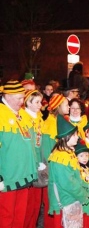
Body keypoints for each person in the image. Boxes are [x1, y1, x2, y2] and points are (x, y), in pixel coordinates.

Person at [0, 80, 38, 227]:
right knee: (6, 215)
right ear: (7, 96)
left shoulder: (21, 114)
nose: (22, 102)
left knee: (20, 215)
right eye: (19, 98)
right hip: (8, 177)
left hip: (24, 174)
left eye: (23, 98)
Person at [48, 114, 89, 227]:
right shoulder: (61, 158)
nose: (77, 137)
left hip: (71, 199)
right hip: (65, 200)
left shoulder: (67, 153)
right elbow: (68, 183)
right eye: (74, 135)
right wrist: (82, 194)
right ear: (65, 137)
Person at [41, 93, 70, 227]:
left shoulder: (60, 120)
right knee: (53, 203)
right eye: (65, 104)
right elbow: (47, 152)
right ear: (58, 106)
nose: (68, 106)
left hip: (61, 167)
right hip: (54, 171)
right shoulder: (50, 125)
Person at [23, 89, 45, 228]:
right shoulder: (25, 119)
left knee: (36, 204)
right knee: (27, 204)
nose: (40, 105)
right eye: (36, 102)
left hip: (39, 162)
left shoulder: (38, 118)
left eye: (40, 102)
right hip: (30, 165)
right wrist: (36, 162)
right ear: (28, 103)